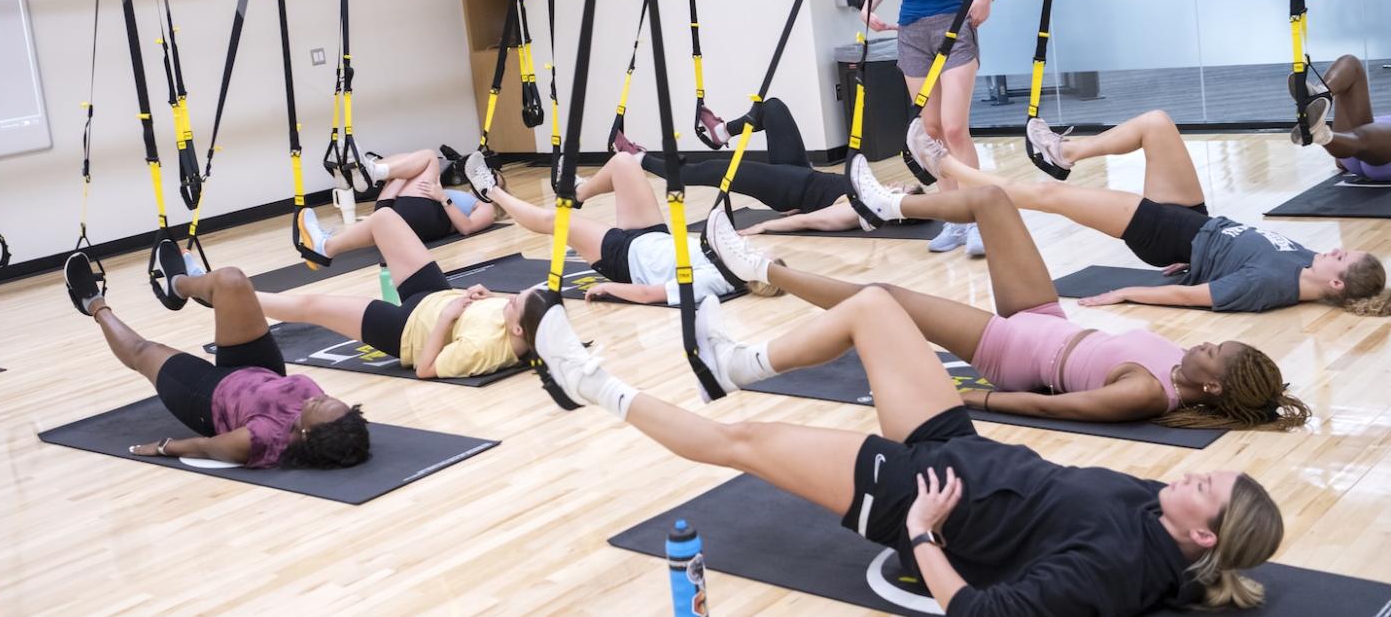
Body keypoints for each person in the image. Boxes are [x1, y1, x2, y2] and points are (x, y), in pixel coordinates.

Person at [518, 287, 1286, 613]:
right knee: (876, 306)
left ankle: (587, 381)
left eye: (1206, 487)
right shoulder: (1156, 516)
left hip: (920, 495)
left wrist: (920, 533)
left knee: (739, 442)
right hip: (960, 449)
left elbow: (982, 614)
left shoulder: (1113, 566)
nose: (1194, 472)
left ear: (1203, 535)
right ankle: (737, 365)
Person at [703, 179, 1310, 429]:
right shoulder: (1182, 368)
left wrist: (972, 399)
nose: (1205, 342)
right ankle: (886, 206)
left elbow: (1056, 406)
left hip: (1013, 353)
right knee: (992, 200)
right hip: (1046, 318)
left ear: (1212, 387)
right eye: (1216, 342)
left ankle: (762, 270)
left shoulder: (1149, 394)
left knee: (883, 299)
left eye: (1214, 352)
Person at [911, 109, 1386, 314]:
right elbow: (1227, 263)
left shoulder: (1270, 287)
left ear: (1336, 284)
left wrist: (1125, 293)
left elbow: (1191, 299)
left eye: (1342, 259)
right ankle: (1066, 152)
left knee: (1047, 197)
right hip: (1195, 223)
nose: (1335, 251)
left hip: (1166, 235)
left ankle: (944, 165)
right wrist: (1200, 265)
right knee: (1156, 124)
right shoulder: (1306, 263)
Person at [62, 243, 369, 469]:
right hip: (259, 369)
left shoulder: (261, 438)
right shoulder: (314, 403)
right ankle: (177, 285)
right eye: (331, 400)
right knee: (231, 280)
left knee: (143, 352)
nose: (321, 397)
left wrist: (166, 447)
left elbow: (206, 447)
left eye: (321, 405)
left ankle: (93, 303)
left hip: (206, 397)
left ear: (307, 433)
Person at [860, 0, 1014, 257]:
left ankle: (980, 219)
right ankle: (955, 220)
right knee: (931, 131)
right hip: (911, 34)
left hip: (954, 29)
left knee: (955, 129)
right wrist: (869, 5)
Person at [280, 205, 530, 379]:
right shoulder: (530, 317)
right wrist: (492, 298)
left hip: (406, 330)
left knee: (311, 305)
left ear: (518, 329)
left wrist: (446, 318)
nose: (512, 298)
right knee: (384, 218)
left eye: (515, 302)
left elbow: (425, 369)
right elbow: (520, 312)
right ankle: (324, 247)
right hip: (435, 294)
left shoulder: (484, 350)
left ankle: (253, 305)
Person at [463, 150, 742, 305]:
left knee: (556, 221)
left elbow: (649, 294)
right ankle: (578, 193)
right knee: (623, 162)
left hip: (624, 260)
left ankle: (490, 191)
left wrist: (609, 288)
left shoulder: (714, 281)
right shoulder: (737, 255)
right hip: (653, 236)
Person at [607, 97, 921, 235]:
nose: (896, 184)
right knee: (773, 108)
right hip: (801, 173)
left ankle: (640, 159)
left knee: (714, 170)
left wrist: (764, 226)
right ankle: (721, 132)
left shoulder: (864, 210)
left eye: (901, 190)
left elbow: (817, 221)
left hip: (789, 191)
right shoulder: (872, 191)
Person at [298, 148, 500, 262]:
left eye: (492, 179)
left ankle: (371, 173)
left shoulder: (488, 207)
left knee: (430, 158)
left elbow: (467, 228)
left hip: (428, 219)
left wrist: (443, 199)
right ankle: (325, 247)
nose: (485, 178)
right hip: (408, 210)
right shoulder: (465, 194)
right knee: (407, 163)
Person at [1292, 55, 1391, 183]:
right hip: (1352, 146)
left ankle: (1322, 135)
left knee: (1360, 139)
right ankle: (1320, 93)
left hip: (1371, 152)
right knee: (1351, 63)